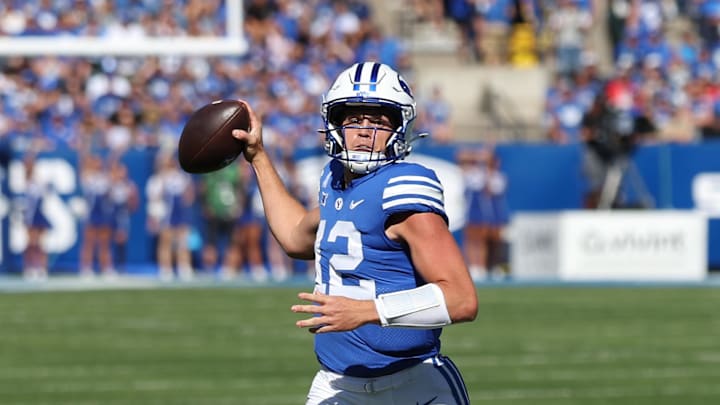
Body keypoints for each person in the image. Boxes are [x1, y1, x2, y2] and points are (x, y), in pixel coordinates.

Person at [231, 62, 478, 404]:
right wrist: (258, 156)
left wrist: (364, 311)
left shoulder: (402, 187)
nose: (364, 131)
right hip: (337, 385)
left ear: (400, 128)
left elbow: (462, 300)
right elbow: (293, 235)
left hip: (414, 385)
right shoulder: (335, 180)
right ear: (334, 124)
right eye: (353, 119)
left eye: (378, 122)